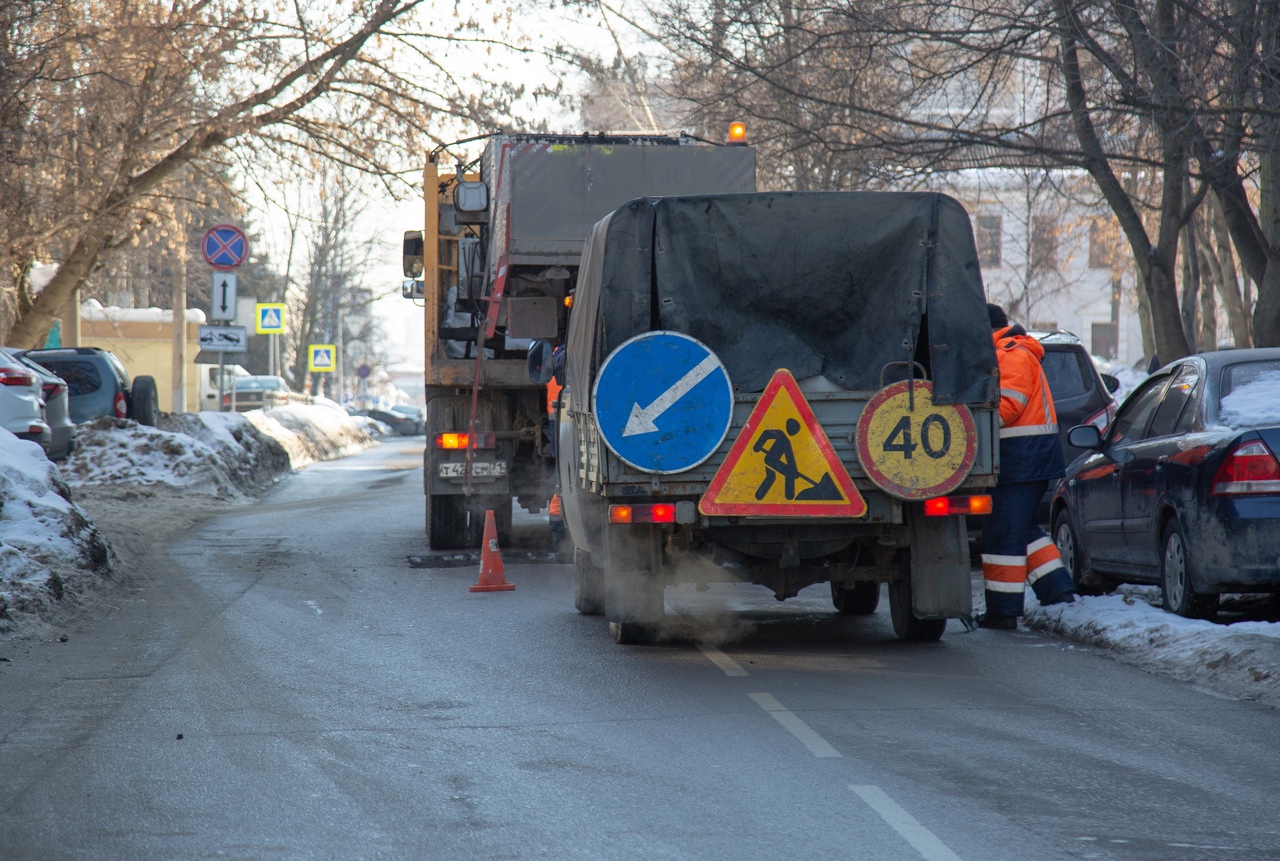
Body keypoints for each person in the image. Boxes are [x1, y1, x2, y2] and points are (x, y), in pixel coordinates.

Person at [977, 303, 1078, 630]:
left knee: (1003, 535)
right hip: (1027, 456)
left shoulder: (1010, 353)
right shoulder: (1012, 351)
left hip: (1021, 457)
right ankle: (1058, 592)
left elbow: (1008, 405)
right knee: (1024, 531)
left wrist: (969, 427)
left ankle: (1003, 612)